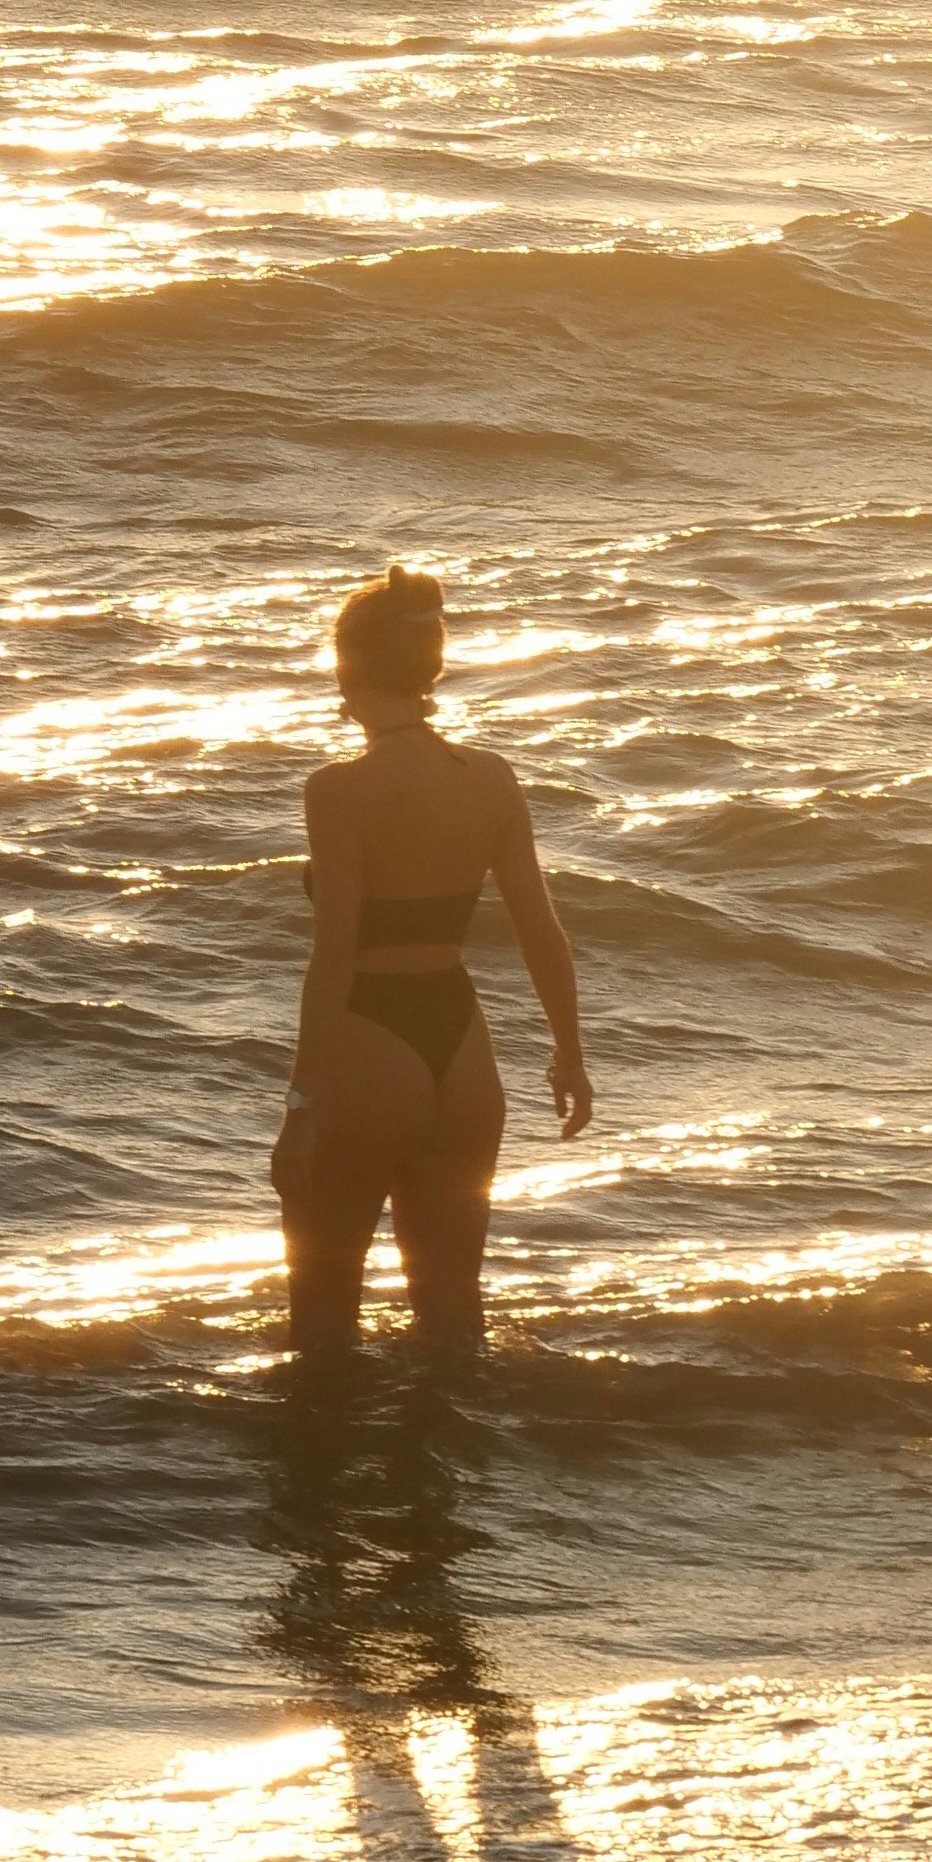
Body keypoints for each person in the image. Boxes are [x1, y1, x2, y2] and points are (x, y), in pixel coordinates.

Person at [271, 565, 592, 1354]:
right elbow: (542, 931)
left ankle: (317, 1467)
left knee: (323, 1314)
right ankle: (456, 1466)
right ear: (427, 669)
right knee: (453, 1315)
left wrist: (301, 1108)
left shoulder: (337, 790)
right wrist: (570, 1055)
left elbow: (335, 952)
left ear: (346, 670)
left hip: (371, 1043)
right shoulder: (490, 778)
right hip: (463, 1048)